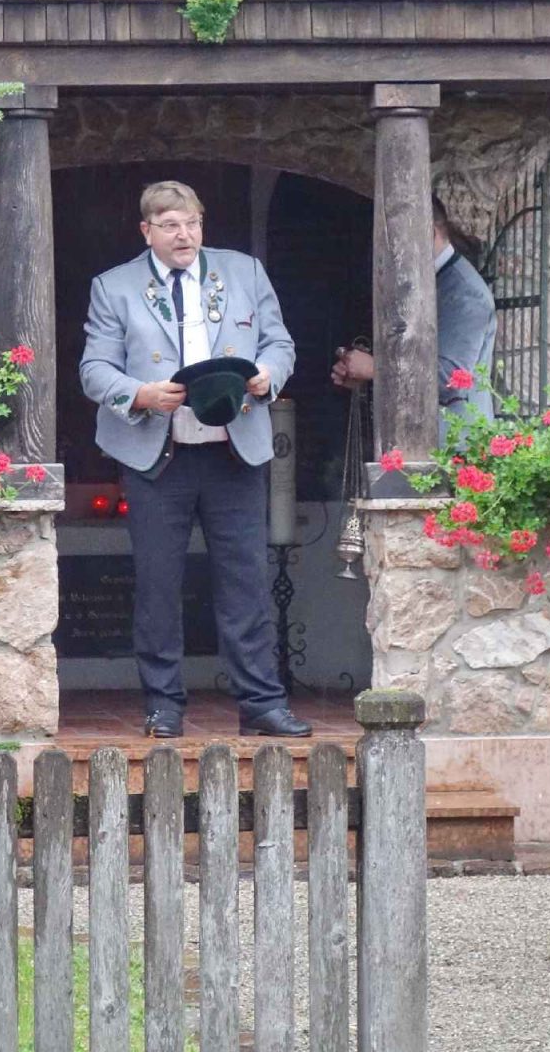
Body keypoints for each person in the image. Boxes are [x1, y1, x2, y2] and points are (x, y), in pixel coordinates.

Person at [79, 180, 308, 740]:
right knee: (159, 586)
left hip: (234, 451)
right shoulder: (114, 286)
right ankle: (163, 704)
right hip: (159, 457)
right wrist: (140, 394)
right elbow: (94, 370)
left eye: (193, 223)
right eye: (171, 226)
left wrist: (269, 374)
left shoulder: (245, 272)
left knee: (246, 582)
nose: (185, 235)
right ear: (147, 231)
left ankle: (262, 703)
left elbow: (280, 344)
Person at [332, 197, 497, 435]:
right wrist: (364, 372)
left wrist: (375, 368)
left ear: (430, 233)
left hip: (455, 445)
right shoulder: (428, 282)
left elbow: (451, 378)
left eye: (401, 239)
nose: (394, 250)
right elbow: (413, 355)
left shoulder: (466, 294)